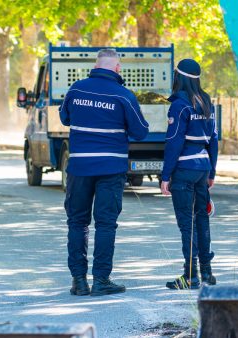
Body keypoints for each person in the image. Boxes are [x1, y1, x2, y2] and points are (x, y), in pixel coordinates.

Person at [59, 49, 149, 296]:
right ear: (118, 68)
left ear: (96, 64)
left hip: (79, 167)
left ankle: (79, 281)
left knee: (77, 222)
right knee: (106, 224)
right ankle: (101, 280)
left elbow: (65, 118)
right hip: (111, 168)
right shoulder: (124, 96)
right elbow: (141, 132)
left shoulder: (76, 89)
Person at [160, 59, 218, 290]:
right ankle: (207, 273)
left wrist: (166, 176)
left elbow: (174, 142)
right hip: (202, 168)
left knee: (187, 224)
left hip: (183, 170)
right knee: (202, 220)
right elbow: (213, 140)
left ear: (179, 77)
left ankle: (190, 276)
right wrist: (212, 170)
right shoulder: (206, 102)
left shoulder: (179, 105)